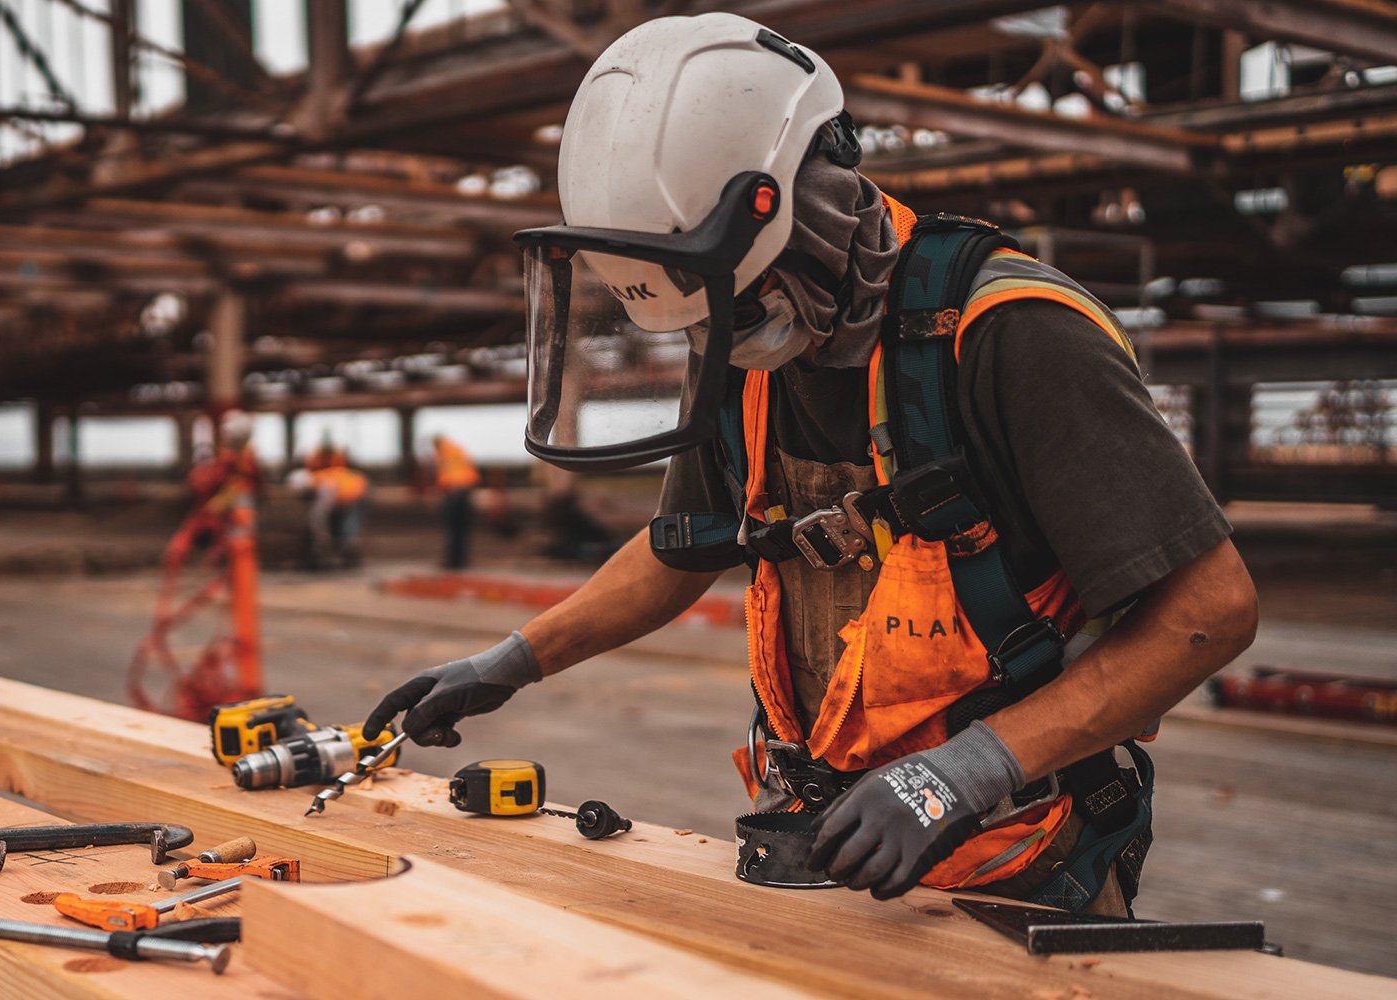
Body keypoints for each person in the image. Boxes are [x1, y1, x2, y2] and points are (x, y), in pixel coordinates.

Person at [364, 13, 1255, 918]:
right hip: (820, 846)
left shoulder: (1009, 333)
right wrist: (510, 661)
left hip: (1019, 855)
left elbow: (1210, 611)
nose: (729, 336)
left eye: (744, 303)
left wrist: (964, 772)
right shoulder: (736, 348)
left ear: (808, 205)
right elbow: (685, 547)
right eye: (711, 317)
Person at [431, 434, 481, 569]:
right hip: (465, 490)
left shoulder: (443, 453)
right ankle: (460, 561)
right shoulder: (457, 450)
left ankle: (453, 562)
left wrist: (441, 491)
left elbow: (446, 474)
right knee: (461, 528)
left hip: (453, 493)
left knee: (452, 528)